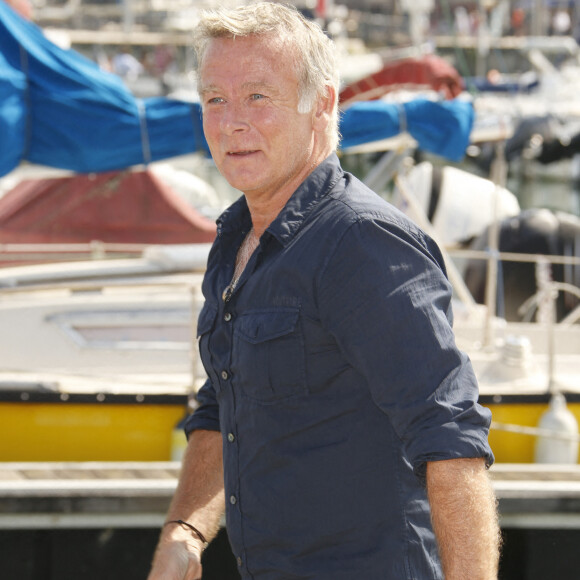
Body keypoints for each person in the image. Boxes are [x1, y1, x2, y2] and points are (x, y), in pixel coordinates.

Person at [147, 3, 500, 579]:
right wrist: (185, 529)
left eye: (258, 96)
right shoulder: (237, 236)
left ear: (325, 103)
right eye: (215, 98)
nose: (232, 121)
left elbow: (452, 440)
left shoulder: (362, 243)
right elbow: (223, 402)